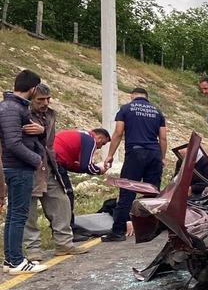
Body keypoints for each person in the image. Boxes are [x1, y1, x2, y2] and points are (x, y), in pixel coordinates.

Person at [23, 84, 87, 260]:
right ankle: (33, 250)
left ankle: (64, 244)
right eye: (40, 100)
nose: (45, 103)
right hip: (28, 167)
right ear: (31, 99)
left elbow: (49, 143)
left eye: (48, 99)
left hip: (49, 166)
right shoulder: (22, 114)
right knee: (29, 211)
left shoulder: (50, 115)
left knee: (62, 203)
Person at [102, 88, 167, 242]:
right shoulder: (157, 112)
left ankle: (118, 232)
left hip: (135, 154)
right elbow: (163, 138)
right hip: (154, 154)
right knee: (152, 193)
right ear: (147, 97)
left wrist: (110, 155)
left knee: (127, 191)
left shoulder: (125, 109)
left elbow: (118, 133)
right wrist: (162, 157)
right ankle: (151, 230)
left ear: (132, 97)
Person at [0, 69, 48, 274]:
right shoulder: (11, 108)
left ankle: (11, 260)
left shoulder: (15, 107)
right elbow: (12, 142)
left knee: (14, 215)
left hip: (17, 167)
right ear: (33, 88)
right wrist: (36, 159)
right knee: (18, 215)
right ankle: (17, 261)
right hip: (19, 169)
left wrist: (40, 130)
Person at [54, 127, 110, 240]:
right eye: (102, 143)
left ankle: (68, 227)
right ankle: (69, 230)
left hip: (54, 158)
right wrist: (99, 170)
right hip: (55, 161)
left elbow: (73, 166)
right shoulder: (91, 140)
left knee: (61, 196)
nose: (99, 147)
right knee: (67, 196)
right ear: (99, 137)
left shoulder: (81, 135)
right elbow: (86, 166)